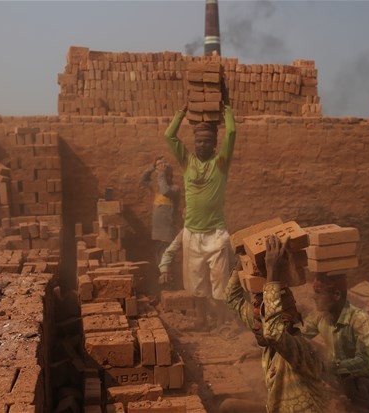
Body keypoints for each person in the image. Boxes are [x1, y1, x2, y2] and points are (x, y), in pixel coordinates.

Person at [225, 235, 327, 413]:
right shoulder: (266, 332)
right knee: (227, 407)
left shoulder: (300, 348)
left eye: (261, 322)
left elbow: (273, 332)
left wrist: (273, 275)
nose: (255, 327)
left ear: (284, 323)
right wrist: (245, 261)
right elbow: (232, 298)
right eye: (256, 321)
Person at [163, 84, 235, 330]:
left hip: (216, 233)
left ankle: (222, 321)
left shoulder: (221, 163)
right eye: (199, 141)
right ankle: (201, 320)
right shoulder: (187, 161)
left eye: (207, 142)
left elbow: (232, 134)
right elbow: (169, 136)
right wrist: (181, 113)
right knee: (197, 283)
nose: (202, 145)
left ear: (214, 144)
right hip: (192, 233)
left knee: (220, 282)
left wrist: (226, 110)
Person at [304, 272, 369, 413]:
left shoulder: (360, 319)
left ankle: (364, 408)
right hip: (335, 374)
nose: (314, 297)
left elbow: (366, 362)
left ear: (336, 295)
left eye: (318, 293)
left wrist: (333, 366)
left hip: (363, 378)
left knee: (354, 382)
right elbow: (299, 337)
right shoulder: (320, 316)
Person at [140, 156, 180, 285]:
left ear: (169, 175)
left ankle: (169, 280)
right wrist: (153, 167)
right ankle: (162, 282)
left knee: (167, 254)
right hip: (157, 229)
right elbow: (143, 180)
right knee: (158, 253)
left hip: (168, 228)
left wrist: (161, 174)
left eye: (165, 174)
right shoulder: (157, 188)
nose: (161, 176)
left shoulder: (174, 189)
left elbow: (165, 190)